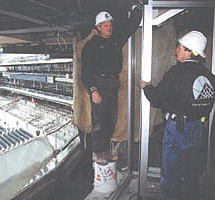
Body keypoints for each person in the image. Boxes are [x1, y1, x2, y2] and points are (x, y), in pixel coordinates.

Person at [141, 31, 215, 200]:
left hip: (177, 130)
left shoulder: (176, 73)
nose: (176, 51)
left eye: (179, 47)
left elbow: (157, 98)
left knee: (171, 176)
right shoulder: (209, 77)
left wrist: (146, 87)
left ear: (188, 51)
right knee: (191, 174)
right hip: (197, 128)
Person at [81, 6, 142, 165]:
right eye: (106, 25)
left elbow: (130, 26)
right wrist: (93, 90)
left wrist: (139, 9)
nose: (109, 28)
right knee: (99, 120)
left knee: (111, 119)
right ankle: (98, 152)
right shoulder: (91, 46)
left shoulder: (115, 40)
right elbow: (86, 72)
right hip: (99, 84)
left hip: (113, 84)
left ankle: (106, 150)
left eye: (110, 25)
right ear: (98, 28)